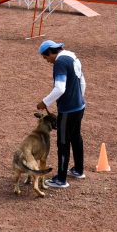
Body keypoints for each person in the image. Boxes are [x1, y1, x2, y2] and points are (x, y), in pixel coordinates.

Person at [36, 40, 86, 189]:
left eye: (46, 58)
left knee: (63, 143)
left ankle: (61, 179)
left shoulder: (60, 63)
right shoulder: (72, 57)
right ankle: (78, 169)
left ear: (51, 52)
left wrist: (44, 102)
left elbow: (60, 88)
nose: (47, 61)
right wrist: (79, 99)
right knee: (76, 137)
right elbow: (82, 81)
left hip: (68, 110)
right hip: (79, 107)